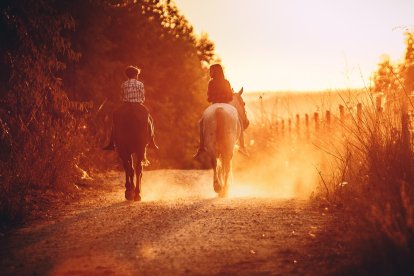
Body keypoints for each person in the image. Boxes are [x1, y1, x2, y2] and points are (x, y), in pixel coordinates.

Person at [193, 64, 247, 159]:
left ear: (215, 72)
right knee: (239, 122)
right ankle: (242, 147)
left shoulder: (211, 83)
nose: (210, 73)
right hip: (226, 104)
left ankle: (201, 147)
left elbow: (209, 96)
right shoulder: (226, 82)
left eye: (211, 71)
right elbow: (230, 96)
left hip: (214, 104)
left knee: (201, 123)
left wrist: (211, 98)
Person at [103, 65, 158, 150]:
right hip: (138, 104)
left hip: (126, 105)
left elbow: (121, 97)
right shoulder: (140, 84)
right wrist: (140, 100)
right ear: (136, 75)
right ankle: (151, 141)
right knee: (149, 119)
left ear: (127, 75)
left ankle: (111, 143)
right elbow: (142, 96)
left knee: (115, 119)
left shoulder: (123, 84)